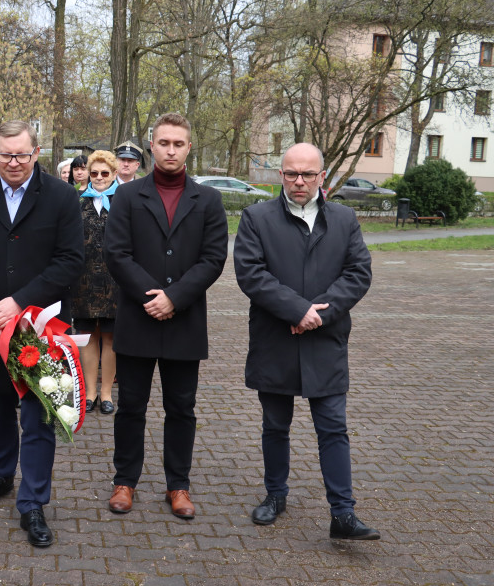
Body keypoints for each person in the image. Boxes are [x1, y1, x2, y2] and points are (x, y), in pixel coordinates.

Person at [233, 142, 379, 541]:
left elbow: (358, 273)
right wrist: (297, 310)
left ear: (322, 177)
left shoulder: (345, 219)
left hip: (326, 340)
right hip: (275, 339)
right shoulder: (256, 217)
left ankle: (343, 514)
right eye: (291, 174)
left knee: (333, 426)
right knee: (275, 425)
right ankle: (275, 496)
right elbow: (251, 274)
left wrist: (319, 314)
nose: (299, 182)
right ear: (280, 175)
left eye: (308, 174)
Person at [0, 120, 84, 548]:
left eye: (21, 155)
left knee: (40, 411)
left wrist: (20, 303)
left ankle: (33, 502)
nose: (12, 162)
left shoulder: (62, 197)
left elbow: (69, 260)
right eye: (5, 154)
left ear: (36, 152)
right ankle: (1, 475)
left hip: (40, 326)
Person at [103, 112, 228, 519]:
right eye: (163, 143)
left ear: (189, 147)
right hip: (137, 318)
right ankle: (125, 481)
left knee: (181, 408)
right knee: (131, 406)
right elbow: (116, 254)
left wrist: (174, 298)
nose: (171, 150)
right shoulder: (127, 196)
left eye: (178, 144)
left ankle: (178, 486)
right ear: (151, 147)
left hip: (184, 320)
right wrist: (149, 296)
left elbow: (213, 259)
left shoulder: (208, 200)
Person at [73, 150, 119, 415]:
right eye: (94, 173)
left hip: (115, 282)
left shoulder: (124, 202)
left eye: (105, 173)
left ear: (113, 174)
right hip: (83, 279)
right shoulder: (78, 201)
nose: (99, 178)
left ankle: (106, 392)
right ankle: (89, 392)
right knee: (88, 336)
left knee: (110, 337)